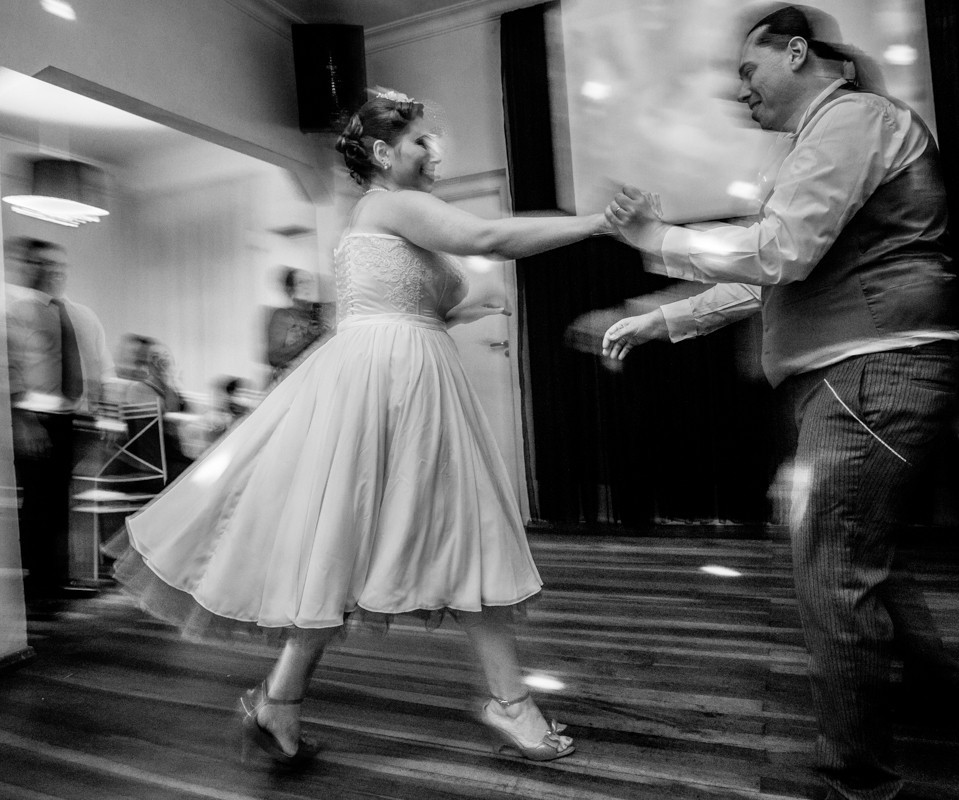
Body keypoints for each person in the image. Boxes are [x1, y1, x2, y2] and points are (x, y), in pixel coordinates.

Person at [110, 89, 608, 767]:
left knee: (356, 541)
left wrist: (468, 308)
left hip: (395, 379)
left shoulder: (380, 219)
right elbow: (487, 238)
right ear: (382, 153)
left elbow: (396, 307)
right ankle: (508, 702)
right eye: (420, 142)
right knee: (465, 531)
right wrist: (596, 222)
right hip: (395, 388)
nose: (433, 153)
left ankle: (281, 699)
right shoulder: (391, 203)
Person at [601, 7, 959, 799]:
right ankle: (940, 696)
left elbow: (777, 250)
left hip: (869, 376)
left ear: (797, 51)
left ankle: (857, 780)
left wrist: (657, 237)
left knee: (833, 570)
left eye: (747, 71)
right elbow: (768, 273)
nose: (741, 93)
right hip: (856, 379)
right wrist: (660, 319)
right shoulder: (829, 138)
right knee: (856, 556)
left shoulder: (851, 119)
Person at [6, 237, 114, 606]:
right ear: (31, 269)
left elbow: (98, 365)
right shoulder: (16, 314)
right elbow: (11, 369)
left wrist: (99, 412)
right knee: (38, 506)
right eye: (44, 266)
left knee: (62, 504)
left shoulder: (82, 315)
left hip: (74, 420)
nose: (53, 273)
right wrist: (23, 422)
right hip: (37, 420)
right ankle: (37, 588)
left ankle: (59, 578)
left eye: (58, 267)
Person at [121, 338, 194, 482]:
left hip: (163, 460)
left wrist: (170, 382)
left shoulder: (168, 391)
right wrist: (169, 380)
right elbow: (165, 415)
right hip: (153, 465)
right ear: (148, 363)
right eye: (157, 358)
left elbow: (182, 415)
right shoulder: (138, 390)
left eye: (166, 357)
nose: (163, 362)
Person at [264, 267, 329, 386]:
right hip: (291, 384)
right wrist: (308, 338)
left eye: (310, 282)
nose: (307, 286)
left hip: (317, 381)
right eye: (301, 282)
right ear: (290, 289)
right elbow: (274, 357)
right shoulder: (282, 316)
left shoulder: (320, 315)